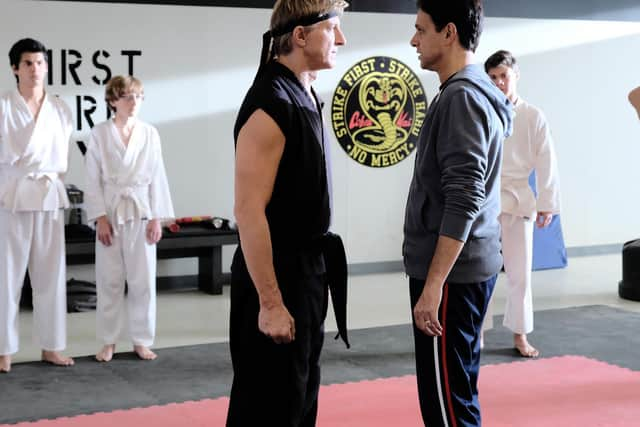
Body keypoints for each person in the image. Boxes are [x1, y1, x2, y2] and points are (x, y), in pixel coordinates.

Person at [226, 0, 348, 425]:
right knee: (267, 405)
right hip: (277, 277)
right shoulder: (270, 103)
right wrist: (271, 303)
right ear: (300, 35)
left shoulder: (305, 92)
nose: (341, 40)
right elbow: (249, 211)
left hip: (307, 273)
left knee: (297, 398)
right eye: (333, 29)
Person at [403, 1, 513, 425]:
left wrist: (433, 285)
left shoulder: (463, 98)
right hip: (466, 270)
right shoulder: (470, 91)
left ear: (448, 33)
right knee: (457, 393)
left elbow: (464, 197)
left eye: (421, 30)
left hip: (451, 276)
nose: (414, 39)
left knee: (447, 405)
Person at [84, 75, 174, 362]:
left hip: (141, 210)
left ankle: (142, 339)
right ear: (113, 101)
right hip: (111, 211)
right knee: (109, 280)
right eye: (127, 97)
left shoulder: (150, 133)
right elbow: (92, 179)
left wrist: (156, 217)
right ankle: (108, 341)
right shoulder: (99, 134)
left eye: (138, 96)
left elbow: (157, 177)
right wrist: (99, 217)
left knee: (143, 280)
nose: (133, 102)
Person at [0, 38, 75, 373]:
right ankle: (3, 349)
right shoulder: (3, 106)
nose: (35, 69)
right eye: (28, 63)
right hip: (12, 194)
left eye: (40, 63)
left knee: (51, 275)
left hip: (46, 193)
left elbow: (62, 158)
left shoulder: (60, 107)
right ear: (15, 68)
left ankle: (52, 346)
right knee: (7, 275)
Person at [484, 50, 561, 358]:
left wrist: (547, 203)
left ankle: (520, 334)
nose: (499, 82)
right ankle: (475, 334)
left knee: (520, 273)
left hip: (518, 199)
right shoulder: (483, 111)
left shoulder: (533, 115)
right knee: (480, 271)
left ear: (516, 75)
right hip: (486, 201)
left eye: (504, 76)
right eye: (493, 77)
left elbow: (547, 162)